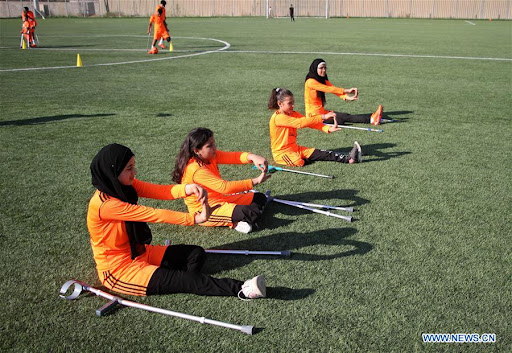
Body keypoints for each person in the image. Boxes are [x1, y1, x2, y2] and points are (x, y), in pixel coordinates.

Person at [87, 143, 265, 300]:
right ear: (113, 172)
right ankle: (242, 289)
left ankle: (183, 281)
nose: (134, 172)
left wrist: (188, 188)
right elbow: (154, 214)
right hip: (120, 270)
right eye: (129, 168)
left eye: (133, 166)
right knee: (186, 279)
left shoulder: (124, 186)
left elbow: (160, 191)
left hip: (141, 253)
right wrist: (195, 218)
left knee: (196, 254)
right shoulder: (105, 205)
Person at [172, 128, 271, 234]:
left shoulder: (210, 156)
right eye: (209, 146)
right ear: (197, 151)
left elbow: (234, 157)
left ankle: (241, 218)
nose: (214, 148)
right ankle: (234, 223)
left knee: (259, 198)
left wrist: (252, 157)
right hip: (205, 210)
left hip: (221, 198)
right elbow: (225, 187)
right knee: (251, 213)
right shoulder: (196, 169)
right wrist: (256, 181)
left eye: (213, 144)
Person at [268, 87, 362, 167]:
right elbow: (300, 123)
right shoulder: (278, 118)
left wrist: (327, 128)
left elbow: (309, 122)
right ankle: (305, 159)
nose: (293, 105)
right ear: (280, 104)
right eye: (289, 103)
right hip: (281, 154)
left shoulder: (293, 113)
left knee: (321, 153)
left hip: (295, 148)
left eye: (293, 102)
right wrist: (323, 116)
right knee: (299, 162)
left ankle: (350, 159)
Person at [305, 58, 383, 126]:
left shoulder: (322, 79)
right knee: (342, 119)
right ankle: (372, 119)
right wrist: (347, 90)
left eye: (325, 68)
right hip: (313, 117)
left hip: (322, 112)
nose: (324, 70)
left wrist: (346, 97)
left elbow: (333, 88)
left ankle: (372, 119)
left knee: (345, 116)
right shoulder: (310, 82)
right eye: (321, 68)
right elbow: (329, 89)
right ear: (315, 69)